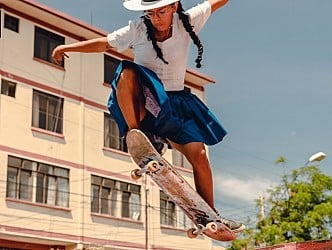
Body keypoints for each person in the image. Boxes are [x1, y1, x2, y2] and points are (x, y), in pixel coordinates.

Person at [52, 0, 245, 233]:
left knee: (200, 155)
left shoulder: (188, 21)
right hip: (145, 105)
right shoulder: (138, 29)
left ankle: (211, 216)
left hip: (174, 107)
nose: (156, 19)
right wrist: (67, 48)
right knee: (127, 72)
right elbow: (104, 44)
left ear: (174, 7)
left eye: (161, 12)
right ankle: (139, 135)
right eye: (150, 13)